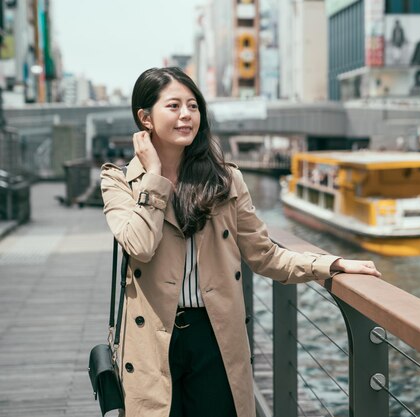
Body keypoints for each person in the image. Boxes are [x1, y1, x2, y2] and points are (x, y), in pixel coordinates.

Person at [100, 67, 381, 417]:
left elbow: (264, 256)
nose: (187, 115)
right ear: (145, 118)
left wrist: (330, 264)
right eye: (173, 106)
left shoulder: (224, 180)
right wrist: (154, 177)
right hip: (152, 341)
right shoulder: (119, 181)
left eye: (193, 105)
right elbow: (139, 245)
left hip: (215, 336)